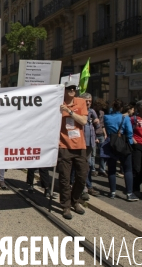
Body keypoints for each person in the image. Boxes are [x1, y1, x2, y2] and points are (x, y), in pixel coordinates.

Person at [57, 80, 88, 220]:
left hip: (80, 146)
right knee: (65, 178)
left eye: (73, 88)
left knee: (82, 177)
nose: (71, 90)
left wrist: (69, 112)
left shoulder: (80, 102)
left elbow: (83, 121)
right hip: (64, 146)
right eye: (69, 88)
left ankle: (75, 201)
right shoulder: (58, 103)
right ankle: (66, 206)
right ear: (63, 90)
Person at [103, 99, 137, 201]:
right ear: (122, 108)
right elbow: (129, 132)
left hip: (111, 143)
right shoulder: (125, 118)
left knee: (111, 170)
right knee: (127, 169)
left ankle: (112, 192)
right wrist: (130, 142)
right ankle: (129, 193)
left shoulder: (106, 117)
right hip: (123, 144)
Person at [75, 93, 100, 199]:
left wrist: (96, 123)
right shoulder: (78, 111)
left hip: (90, 142)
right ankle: (83, 187)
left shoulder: (92, 111)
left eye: (90, 100)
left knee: (88, 165)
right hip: (80, 142)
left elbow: (97, 126)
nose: (88, 103)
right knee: (82, 165)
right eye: (86, 101)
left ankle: (87, 186)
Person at [92, 98, 108, 177]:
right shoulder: (91, 112)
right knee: (93, 153)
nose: (100, 108)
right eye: (99, 106)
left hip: (101, 133)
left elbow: (102, 124)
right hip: (93, 134)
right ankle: (93, 169)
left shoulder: (102, 113)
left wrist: (105, 134)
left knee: (103, 153)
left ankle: (102, 169)